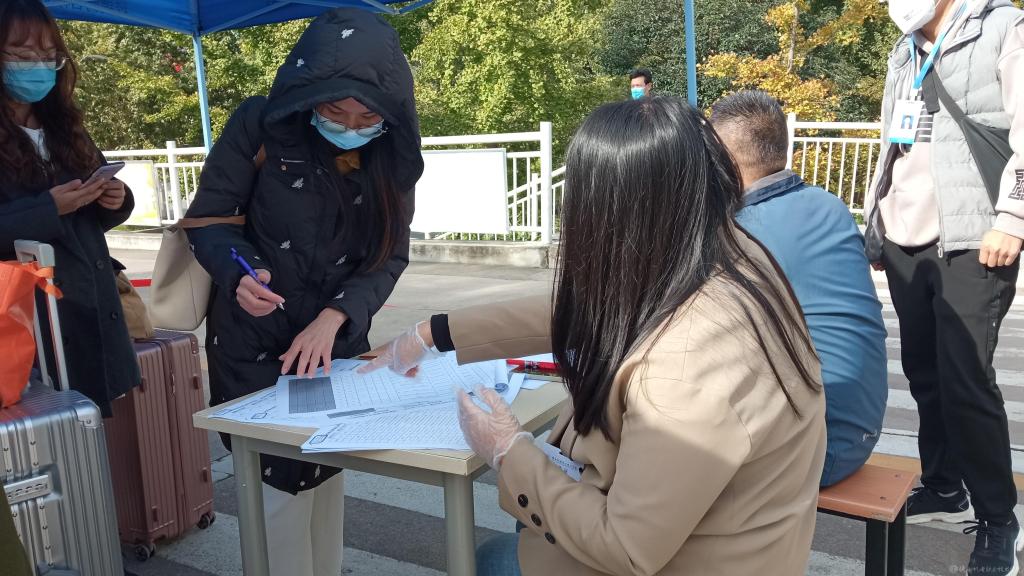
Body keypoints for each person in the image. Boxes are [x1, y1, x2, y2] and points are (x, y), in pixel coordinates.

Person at [368, 96, 827, 575]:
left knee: (491, 560)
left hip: (689, 559)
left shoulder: (686, 367)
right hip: (726, 541)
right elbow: (590, 311)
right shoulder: (723, 250)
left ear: (609, 215)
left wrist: (507, 451)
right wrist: (434, 333)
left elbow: (626, 548)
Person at [184, 9, 423, 576]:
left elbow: (389, 256)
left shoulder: (389, 149)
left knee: (323, 473)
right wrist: (242, 273)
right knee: (275, 491)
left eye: (367, 116)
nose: (350, 126)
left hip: (332, 346)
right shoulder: (261, 124)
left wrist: (337, 316)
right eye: (334, 111)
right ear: (307, 95)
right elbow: (210, 220)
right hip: (254, 339)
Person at [864, 0, 1024, 573]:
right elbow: (892, 143)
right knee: (924, 372)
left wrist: (1013, 217)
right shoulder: (903, 50)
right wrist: (876, 221)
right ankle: (944, 485)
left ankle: (999, 518)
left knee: (966, 379)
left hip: (973, 233)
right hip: (905, 232)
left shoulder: (1002, 28)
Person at [709, 90, 889, 486]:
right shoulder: (829, 205)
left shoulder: (742, 233)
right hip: (858, 429)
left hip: (813, 448)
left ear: (724, 162)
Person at [0, 0, 139, 416]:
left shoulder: (64, 125)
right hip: (25, 328)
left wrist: (115, 200)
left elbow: (93, 209)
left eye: (49, 56)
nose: (38, 67)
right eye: (23, 55)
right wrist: (48, 208)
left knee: (89, 427)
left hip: (89, 314)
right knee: (42, 433)